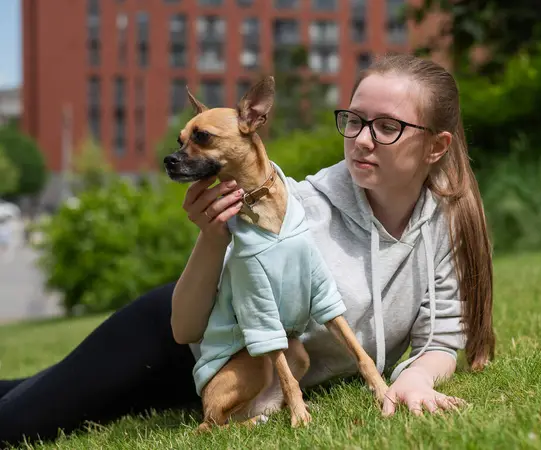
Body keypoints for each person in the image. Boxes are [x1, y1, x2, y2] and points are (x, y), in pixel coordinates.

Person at [0, 54, 495, 447]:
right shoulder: (291, 210)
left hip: (240, 388)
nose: (362, 140)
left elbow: (443, 332)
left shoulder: (442, 225)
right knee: (16, 422)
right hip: (172, 345)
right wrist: (212, 235)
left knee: (30, 394)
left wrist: (418, 380)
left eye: (387, 127)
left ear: (436, 146)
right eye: (353, 120)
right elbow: (185, 328)